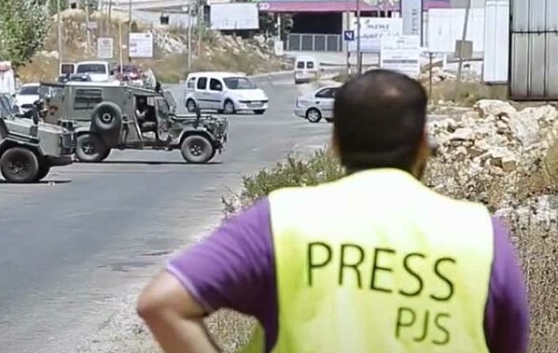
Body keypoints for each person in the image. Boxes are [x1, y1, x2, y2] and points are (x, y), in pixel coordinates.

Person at [136, 69, 530, 353]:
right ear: (423, 143)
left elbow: (161, 303)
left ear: (336, 142)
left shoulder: (282, 219)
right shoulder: (480, 235)